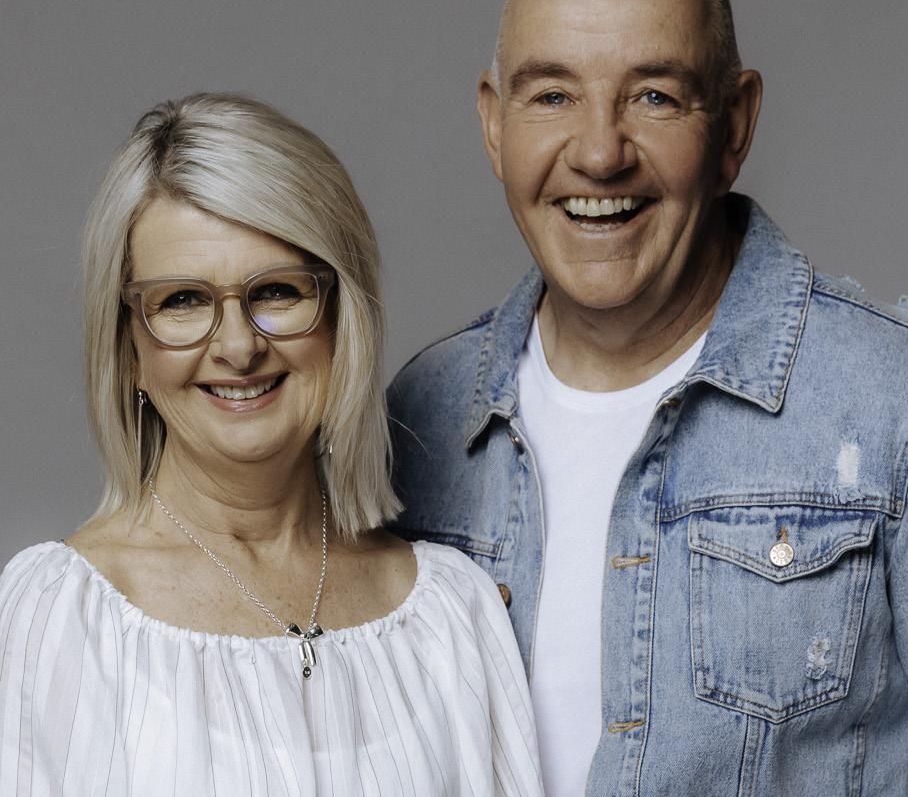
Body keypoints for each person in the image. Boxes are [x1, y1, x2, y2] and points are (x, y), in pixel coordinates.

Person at [387, 0, 908, 795]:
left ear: (734, 125)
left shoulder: (898, 407)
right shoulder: (419, 415)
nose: (599, 153)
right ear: (493, 124)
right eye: (551, 96)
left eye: (653, 97)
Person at [0, 92, 541, 796]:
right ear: (129, 349)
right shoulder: (59, 616)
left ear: (342, 318)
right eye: (182, 301)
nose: (238, 346)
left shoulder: (451, 611)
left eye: (277, 292)